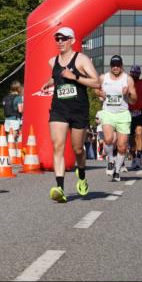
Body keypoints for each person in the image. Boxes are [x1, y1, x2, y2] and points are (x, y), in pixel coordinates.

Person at [41, 27, 100, 203]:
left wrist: (75, 77)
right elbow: (58, 76)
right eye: (57, 39)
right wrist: (50, 81)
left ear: (72, 40)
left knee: (78, 149)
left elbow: (96, 82)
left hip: (78, 110)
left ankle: (81, 174)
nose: (59, 42)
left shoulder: (81, 59)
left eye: (63, 38)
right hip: (59, 109)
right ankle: (60, 188)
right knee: (58, 147)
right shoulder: (53, 61)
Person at [96, 55, 136, 182]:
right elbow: (95, 90)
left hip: (123, 114)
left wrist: (128, 93)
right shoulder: (103, 77)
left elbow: (134, 100)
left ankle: (117, 171)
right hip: (108, 113)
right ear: (110, 66)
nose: (115, 67)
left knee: (122, 147)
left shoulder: (128, 79)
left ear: (121, 66)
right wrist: (100, 93)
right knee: (108, 139)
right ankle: (110, 160)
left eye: (118, 65)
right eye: (113, 65)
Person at [127, 65, 142, 170]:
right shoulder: (126, 83)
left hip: (140, 112)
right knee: (131, 140)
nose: (134, 75)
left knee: (139, 132)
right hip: (128, 112)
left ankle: (139, 155)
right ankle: (134, 156)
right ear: (130, 73)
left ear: (139, 74)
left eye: (136, 73)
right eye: (133, 73)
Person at [2, 81, 24, 147]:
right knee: (12, 139)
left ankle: (5, 150)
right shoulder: (18, 97)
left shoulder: (6, 97)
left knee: (8, 137)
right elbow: (20, 110)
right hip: (14, 119)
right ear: (18, 88)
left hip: (7, 119)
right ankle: (8, 153)